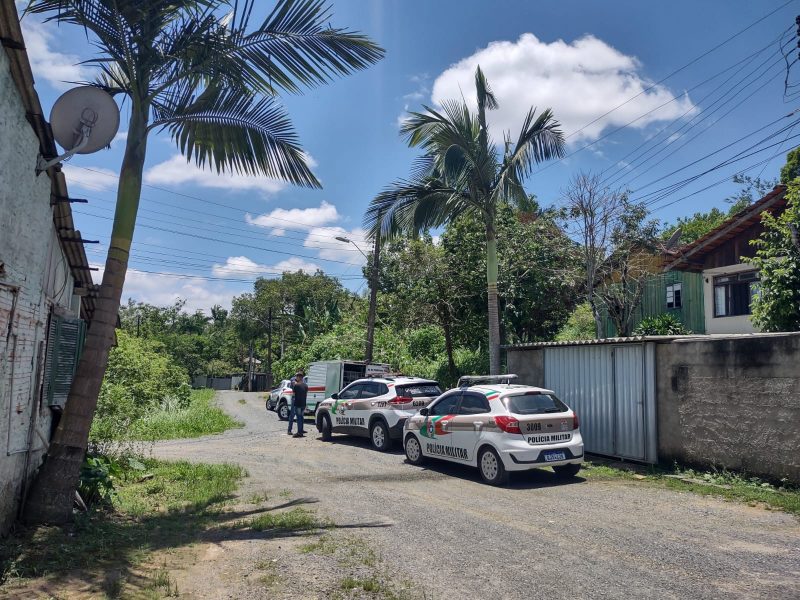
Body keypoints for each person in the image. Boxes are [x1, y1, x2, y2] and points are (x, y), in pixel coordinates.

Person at [287, 370, 308, 438]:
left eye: (297, 376)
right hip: (303, 403)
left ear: (299, 377)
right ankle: (293, 430)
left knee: (297, 417)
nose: (296, 377)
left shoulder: (296, 384)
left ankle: (299, 431)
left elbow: (293, 394)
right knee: (300, 417)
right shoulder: (305, 385)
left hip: (297, 402)